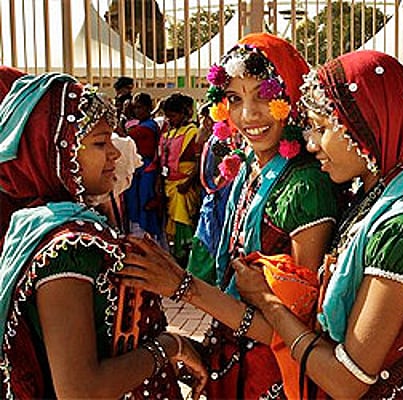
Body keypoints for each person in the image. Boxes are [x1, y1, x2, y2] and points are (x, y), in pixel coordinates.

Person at [232, 50, 403, 399]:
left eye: (322, 128)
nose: (311, 143)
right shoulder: (371, 198)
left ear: (367, 125)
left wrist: (268, 301)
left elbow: (348, 380)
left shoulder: (402, 228)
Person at [119, 33, 337, 399]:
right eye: (235, 98)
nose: (249, 115)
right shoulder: (249, 166)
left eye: (265, 96)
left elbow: (290, 329)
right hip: (234, 351)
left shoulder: (306, 186)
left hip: (276, 374)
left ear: (292, 99)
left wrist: (183, 287)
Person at [0, 67, 206, 399]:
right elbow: (80, 390)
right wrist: (171, 345)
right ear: (55, 153)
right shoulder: (67, 245)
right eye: (100, 142)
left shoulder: (45, 223)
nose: (114, 152)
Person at [186, 102, 237, 284]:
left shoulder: (220, 140)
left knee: (212, 234)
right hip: (213, 193)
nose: (202, 121)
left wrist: (215, 186)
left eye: (204, 117)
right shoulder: (214, 138)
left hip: (219, 195)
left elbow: (221, 169)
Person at [158, 93, 201, 266]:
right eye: (167, 115)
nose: (169, 119)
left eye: (173, 115)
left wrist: (188, 183)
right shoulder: (169, 131)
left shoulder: (193, 132)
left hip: (184, 187)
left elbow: (199, 162)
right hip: (169, 184)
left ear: (184, 113)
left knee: (183, 221)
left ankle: (185, 256)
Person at [124, 92, 165, 245]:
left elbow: (127, 136)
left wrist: (124, 113)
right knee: (134, 202)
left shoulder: (149, 126)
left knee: (146, 203)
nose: (136, 111)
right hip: (137, 169)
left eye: (139, 108)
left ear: (148, 108)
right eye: (134, 108)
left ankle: (149, 239)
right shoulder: (139, 125)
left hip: (148, 169)